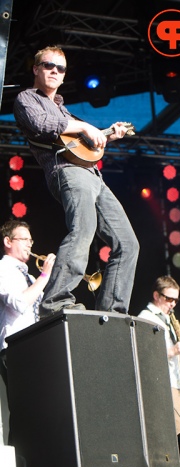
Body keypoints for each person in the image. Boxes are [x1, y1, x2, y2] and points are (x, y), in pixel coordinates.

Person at [13, 45, 139, 318]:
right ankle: (55, 301)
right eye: (49, 66)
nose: (55, 72)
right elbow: (42, 125)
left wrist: (109, 135)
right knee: (83, 229)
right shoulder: (27, 98)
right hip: (67, 172)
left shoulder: (64, 109)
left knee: (128, 244)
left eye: (61, 69)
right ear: (36, 69)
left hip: (94, 176)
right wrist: (84, 127)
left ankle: (113, 312)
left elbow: (82, 145)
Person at [0, 219, 55, 444]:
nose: (30, 245)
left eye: (31, 240)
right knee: (23, 413)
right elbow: (20, 303)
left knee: (37, 412)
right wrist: (45, 277)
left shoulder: (30, 277)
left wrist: (51, 278)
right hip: (14, 349)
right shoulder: (3, 269)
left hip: (32, 348)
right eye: (24, 239)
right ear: (7, 241)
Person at [138, 276, 180, 435]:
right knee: (178, 436)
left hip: (175, 384)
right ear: (156, 296)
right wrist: (173, 350)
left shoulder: (166, 319)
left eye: (176, 300)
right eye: (169, 299)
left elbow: (169, 361)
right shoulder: (146, 318)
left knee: (178, 436)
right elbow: (145, 357)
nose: (173, 304)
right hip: (162, 386)